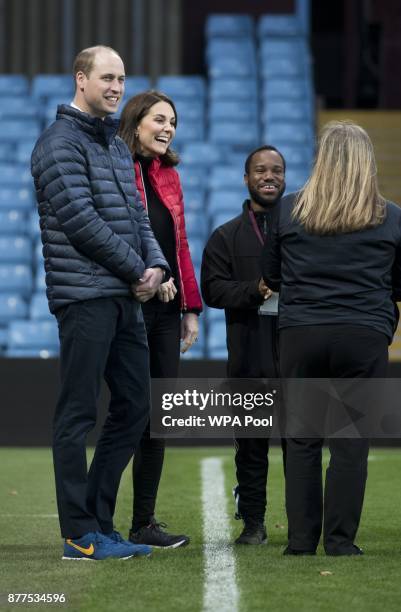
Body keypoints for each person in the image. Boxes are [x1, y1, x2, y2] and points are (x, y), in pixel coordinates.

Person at [31, 46, 170, 561]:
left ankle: (100, 524)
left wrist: (156, 268)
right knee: (77, 413)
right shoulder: (57, 144)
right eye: (108, 77)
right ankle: (76, 533)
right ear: (81, 78)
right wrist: (138, 271)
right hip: (85, 297)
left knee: (135, 407)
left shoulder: (114, 144)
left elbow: (137, 215)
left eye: (122, 79)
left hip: (123, 297)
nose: (116, 87)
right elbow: (80, 222)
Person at [262, 120, 401, 556]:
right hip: (364, 335)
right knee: (350, 441)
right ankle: (341, 543)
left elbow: (271, 275)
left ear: (321, 159)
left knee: (302, 440)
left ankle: (301, 542)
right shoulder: (391, 216)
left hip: (302, 333)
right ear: (366, 163)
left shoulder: (286, 210)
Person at [118, 91, 202, 548]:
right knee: (130, 413)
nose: (168, 128)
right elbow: (118, 232)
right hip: (130, 305)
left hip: (168, 311)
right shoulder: (115, 166)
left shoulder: (168, 174)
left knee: (159, 418)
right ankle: (98, 522)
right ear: (136, 121)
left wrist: (190, 307)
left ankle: (143, 523)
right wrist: (152, 275)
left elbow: (181, 242)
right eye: (159, 119)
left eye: (173, 121)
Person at [201, 145, 286, 545]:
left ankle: (303, 526)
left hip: (295, 358)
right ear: (246, 178)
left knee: (300, 446)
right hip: (249, 359)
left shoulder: (304, 230)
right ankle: (253, 525)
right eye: (260, 170)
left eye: (277, 170)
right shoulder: (226, 236)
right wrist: (255, 289)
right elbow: (212, 290)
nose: (269, 176)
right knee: (251, 451)